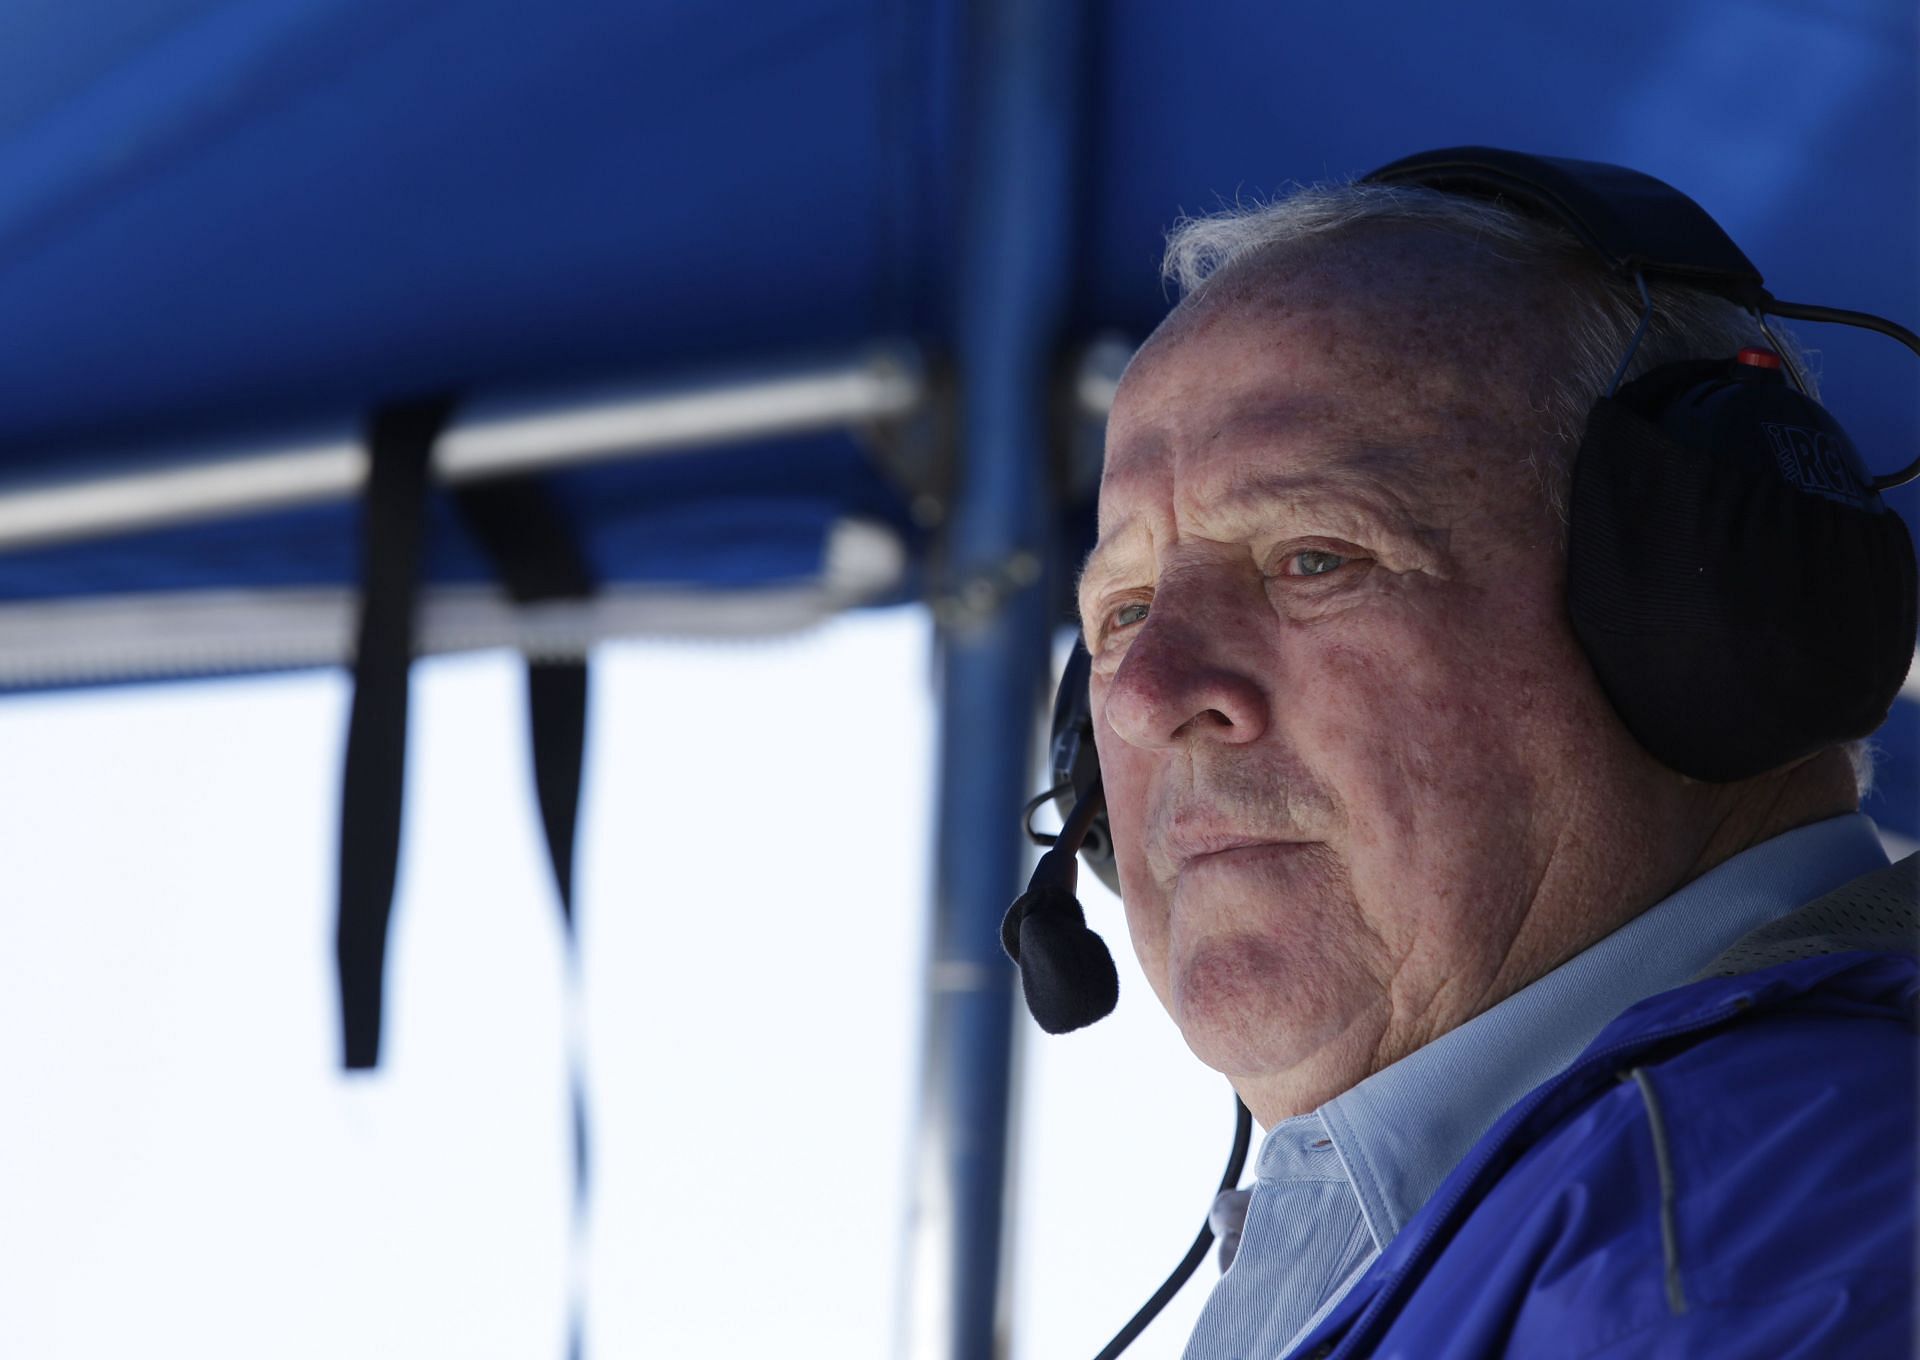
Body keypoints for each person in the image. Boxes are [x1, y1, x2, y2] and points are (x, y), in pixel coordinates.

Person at [1077, 171, 1917, 1356]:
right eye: (1119, 613)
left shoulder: (1753, 1231)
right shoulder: (1580, 1214)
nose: (1154, 695)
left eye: (1313, 558)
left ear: (1709, 619)